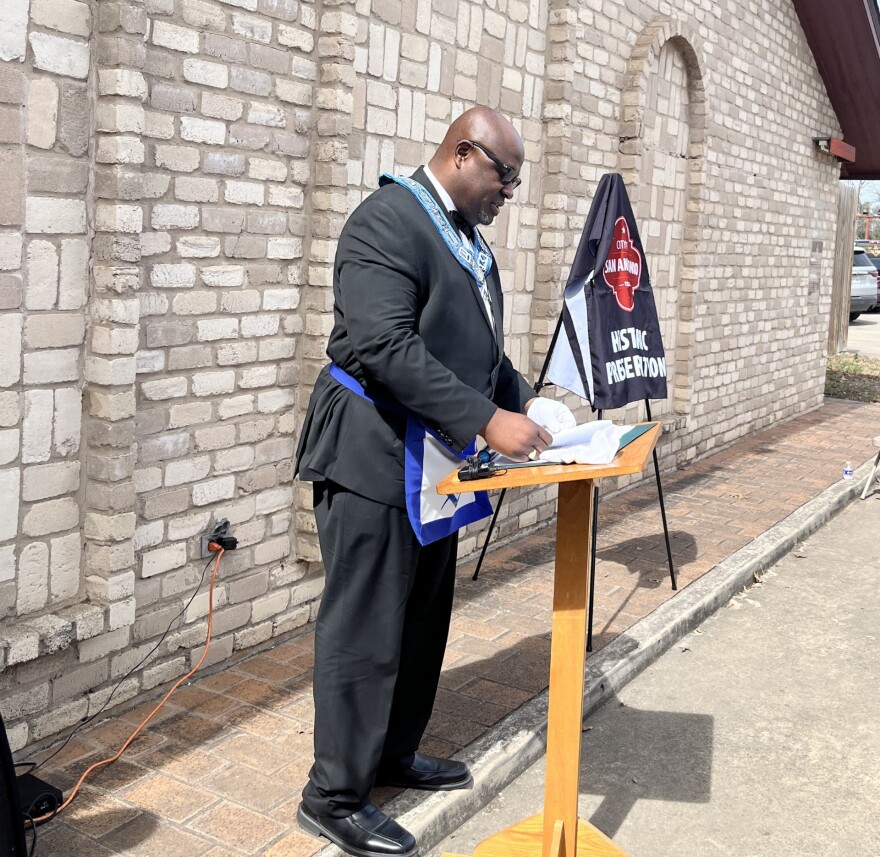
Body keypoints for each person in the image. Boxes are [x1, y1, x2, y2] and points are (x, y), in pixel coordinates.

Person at [294, 106, 574, 857]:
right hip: (371, 453)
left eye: (514, 180)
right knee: (364, 628)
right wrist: (487, 419)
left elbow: (470, 347)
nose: (508, 194)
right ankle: (334, 793)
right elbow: (382, 343)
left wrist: (524, 399)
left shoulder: (465, 240)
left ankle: (390, 752)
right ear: (462, 153)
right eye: (503, 176)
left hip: (434, 464)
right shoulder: (386, 220)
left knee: (420, 619)